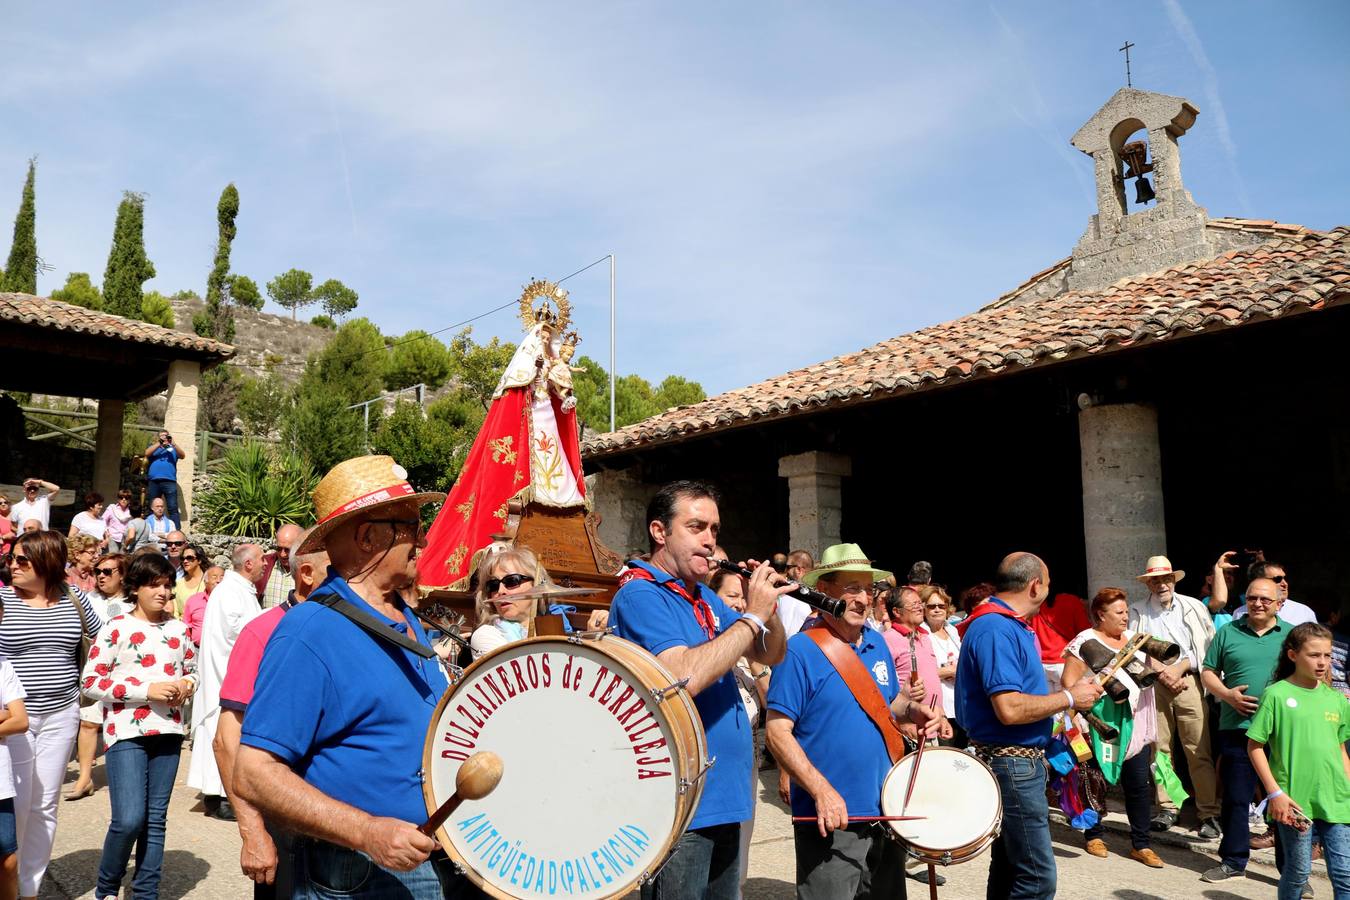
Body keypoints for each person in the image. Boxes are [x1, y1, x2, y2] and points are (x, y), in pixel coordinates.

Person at [234, 455, 457, 897]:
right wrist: (366, 832)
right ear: (369, 537)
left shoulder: (404, 617)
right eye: (411, 527)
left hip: (428, 858)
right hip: (358, 873)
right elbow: (253, 773)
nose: (424, 540)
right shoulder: (309, 633)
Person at [609, 480, 790, 900]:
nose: (710, 541)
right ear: (660, 531)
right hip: (681, 806)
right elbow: (681, 676)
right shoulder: (640, 594)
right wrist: (751, 617)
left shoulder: (704, 598)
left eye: (714, 530)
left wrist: (770, 609)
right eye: (696, 527)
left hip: (723, 797)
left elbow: (771, 654)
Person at [766, 543, 939, 900]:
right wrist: (821, 791)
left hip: (887, 810)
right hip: (832, 816)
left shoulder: (875, 641)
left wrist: (913, 710)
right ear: (823, 592)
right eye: (851, 588)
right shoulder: (799, 650)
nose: (863, 598)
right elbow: (777, 731)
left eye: (868, 589)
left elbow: (888, 702)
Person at [955, 552, 1103, 900]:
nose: (1048, 594)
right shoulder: (996, 628)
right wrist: (1069, 698)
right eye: (1047, 586)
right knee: (1037, 878)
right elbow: (1008, 708)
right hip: (1013, 765)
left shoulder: (1003, 624)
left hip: (1017, 762)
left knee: (1009, 869)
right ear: (1035, 586)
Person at [214, 533, 328, 898]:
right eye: (336, 570)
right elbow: (227, 739)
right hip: (285, 829)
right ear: (307, 574)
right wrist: (252, 832)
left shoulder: (349, 630)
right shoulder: (262, 632)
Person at [81, 551, 196, 900]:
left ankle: (146, 892)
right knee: (129, 819)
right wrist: (147, 690)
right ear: (136, 588)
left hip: (169, 732)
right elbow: (90, 682)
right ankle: (107, 888)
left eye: (166, 585)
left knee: (154, 819)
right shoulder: (116, 628)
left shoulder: (179, 630)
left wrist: (186, 687)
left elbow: (192, 672)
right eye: (153, 585)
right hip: (126, 731)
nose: (162, 592)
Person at [0, 531, 101, 898]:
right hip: (14, 721)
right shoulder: (2, 600)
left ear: (46, 562)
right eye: (12, 558)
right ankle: (8, 881)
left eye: (22, 560)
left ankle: (29, 889)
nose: (13, 565)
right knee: (20, 805)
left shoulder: (74, 599)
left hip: (62, 713)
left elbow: (104, 642)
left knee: (45, 805)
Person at [1063, 587, 1167, 867]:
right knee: (1094, 781)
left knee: (1138, 784)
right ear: (1101, 614)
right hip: (1099, 721)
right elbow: (1068, 682)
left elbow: (1156, 668)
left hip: (1134, 721)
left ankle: (1141, 844)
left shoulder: (1135, 640)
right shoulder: (1085, 640)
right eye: (1119, 613)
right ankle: (1094, 835)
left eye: (1125, 612)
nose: (1125, 618)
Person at [1247, 623, 1350, 900]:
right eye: (1314, 655)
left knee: (1345, 874)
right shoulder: (1277, 695)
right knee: (1298, 872)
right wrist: (1275, 793)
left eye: (1327, 655)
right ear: (1293, 655)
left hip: (1337, 799)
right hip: (1294, 803)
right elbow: (1255, 746)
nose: (1322, 662)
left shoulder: (1337, 700)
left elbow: (1340, 750)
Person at [1199, 576, 1291, 884]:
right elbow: (1208, 672)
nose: (1258, 603)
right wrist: (1228, 695)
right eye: (1252, 598)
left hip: (1283, 731)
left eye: (1265, 599)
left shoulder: (1293, 635)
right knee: (1237, 798)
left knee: (1285, 799)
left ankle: (1292, 871)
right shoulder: (1228, 631)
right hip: (1238, 727)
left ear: (1279, 603)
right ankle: (1233, 860)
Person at [1127, 555, 1221, 837]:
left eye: (1165, 578)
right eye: (1155, 580)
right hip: (1154, 682)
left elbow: (1207, 645)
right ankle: (1168, 806)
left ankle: (1208, 813)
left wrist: (1179, 669)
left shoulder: (1193, 606)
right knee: (1160, 749)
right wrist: (1161, 672)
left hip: (1189, 679)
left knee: (1198, 749)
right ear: (1148, 583)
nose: (1161, 584)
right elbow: (1132, 647)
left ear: (1173, 580)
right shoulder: (1137, 610)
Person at [187, 543, 265, 821]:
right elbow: (240, 634)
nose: (265, 563)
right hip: (228, 676)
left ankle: (217, 794)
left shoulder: (236, 590)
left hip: (229, 674)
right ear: (247, 564)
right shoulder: (231, 592)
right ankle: (222, 797)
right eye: (260, 559)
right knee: (224, 736)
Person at [708, 567, 771, 897]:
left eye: (744, 598)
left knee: (739, 850)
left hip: (746, 764)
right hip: (708, 769)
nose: (738, 604)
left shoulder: (751, 656)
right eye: (731, 596)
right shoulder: (702, 646)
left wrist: (754, 659)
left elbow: (771, 700)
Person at [68, 553, 132, 801]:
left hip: (124, 674)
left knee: (121, 727)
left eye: (108, 571)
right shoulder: (87, 600)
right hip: (94, 671)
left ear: (123, 575)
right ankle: (85, 778)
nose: (101, 576)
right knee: (88, 723)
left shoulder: (132, 604)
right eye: (98, 571)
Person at [0, 621, 28, 900]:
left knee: (8, 859)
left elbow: (20, 720)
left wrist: (9, 715)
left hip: (1, 782)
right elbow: (10, 715)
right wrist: (3, 714)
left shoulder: (4, 666)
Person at [919, 584, 964, 746]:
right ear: (923, 609)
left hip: (961, 705)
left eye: (941, 605)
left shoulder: (953, 631)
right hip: (940, 708)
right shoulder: (920, 635)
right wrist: (949, 670)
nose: (937, 609)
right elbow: (919, 674)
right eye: (932, 606)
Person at [1228, 558, 1319, 626]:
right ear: (1258, 582)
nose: (1285, 584)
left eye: (1285, 578)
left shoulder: (1303, 612)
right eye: (1278, 579)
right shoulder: (1240, 614)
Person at [144, 430, 187, 527]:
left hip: (169, 481)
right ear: (158, 437)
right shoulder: (154, 447)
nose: (164, 438)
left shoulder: (173, 448)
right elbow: (147, 453)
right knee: (152, 506)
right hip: (154, 480)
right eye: (162, 436)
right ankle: (151, 529)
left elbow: (183, 455)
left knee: (173, 507)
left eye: (166, 436)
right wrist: (159, 443)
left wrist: (173, 444)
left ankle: (176, 534)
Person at [183, 566, 224, 647]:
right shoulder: (193, 601)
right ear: (205, 582)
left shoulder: (232, 601)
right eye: (214, 577)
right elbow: (186, 627)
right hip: (197, 649)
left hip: (223, 650)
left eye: (222, 577)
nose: (219, 581)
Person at [778, 550, 815, 638]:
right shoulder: (817, 597)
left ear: (798, 570)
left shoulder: (790, 597)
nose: (786, 571)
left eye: (788, 567)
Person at [172, 543, 207, 620]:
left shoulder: (208, 582)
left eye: (189, 558)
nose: (185, 561)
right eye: (182, 558)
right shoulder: (177, 584)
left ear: (199, 560)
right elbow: (175, 611)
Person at [101, 489, 133, 554]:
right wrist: (106, 533)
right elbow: (103, 521)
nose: (123, 500)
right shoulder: (112, 508)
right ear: (118, 499)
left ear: (129, 500)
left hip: (125, 540)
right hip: (113, 537)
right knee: (113, 558)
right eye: (121, 498)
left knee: (122, 560)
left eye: (126, 498)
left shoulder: (131, 511)